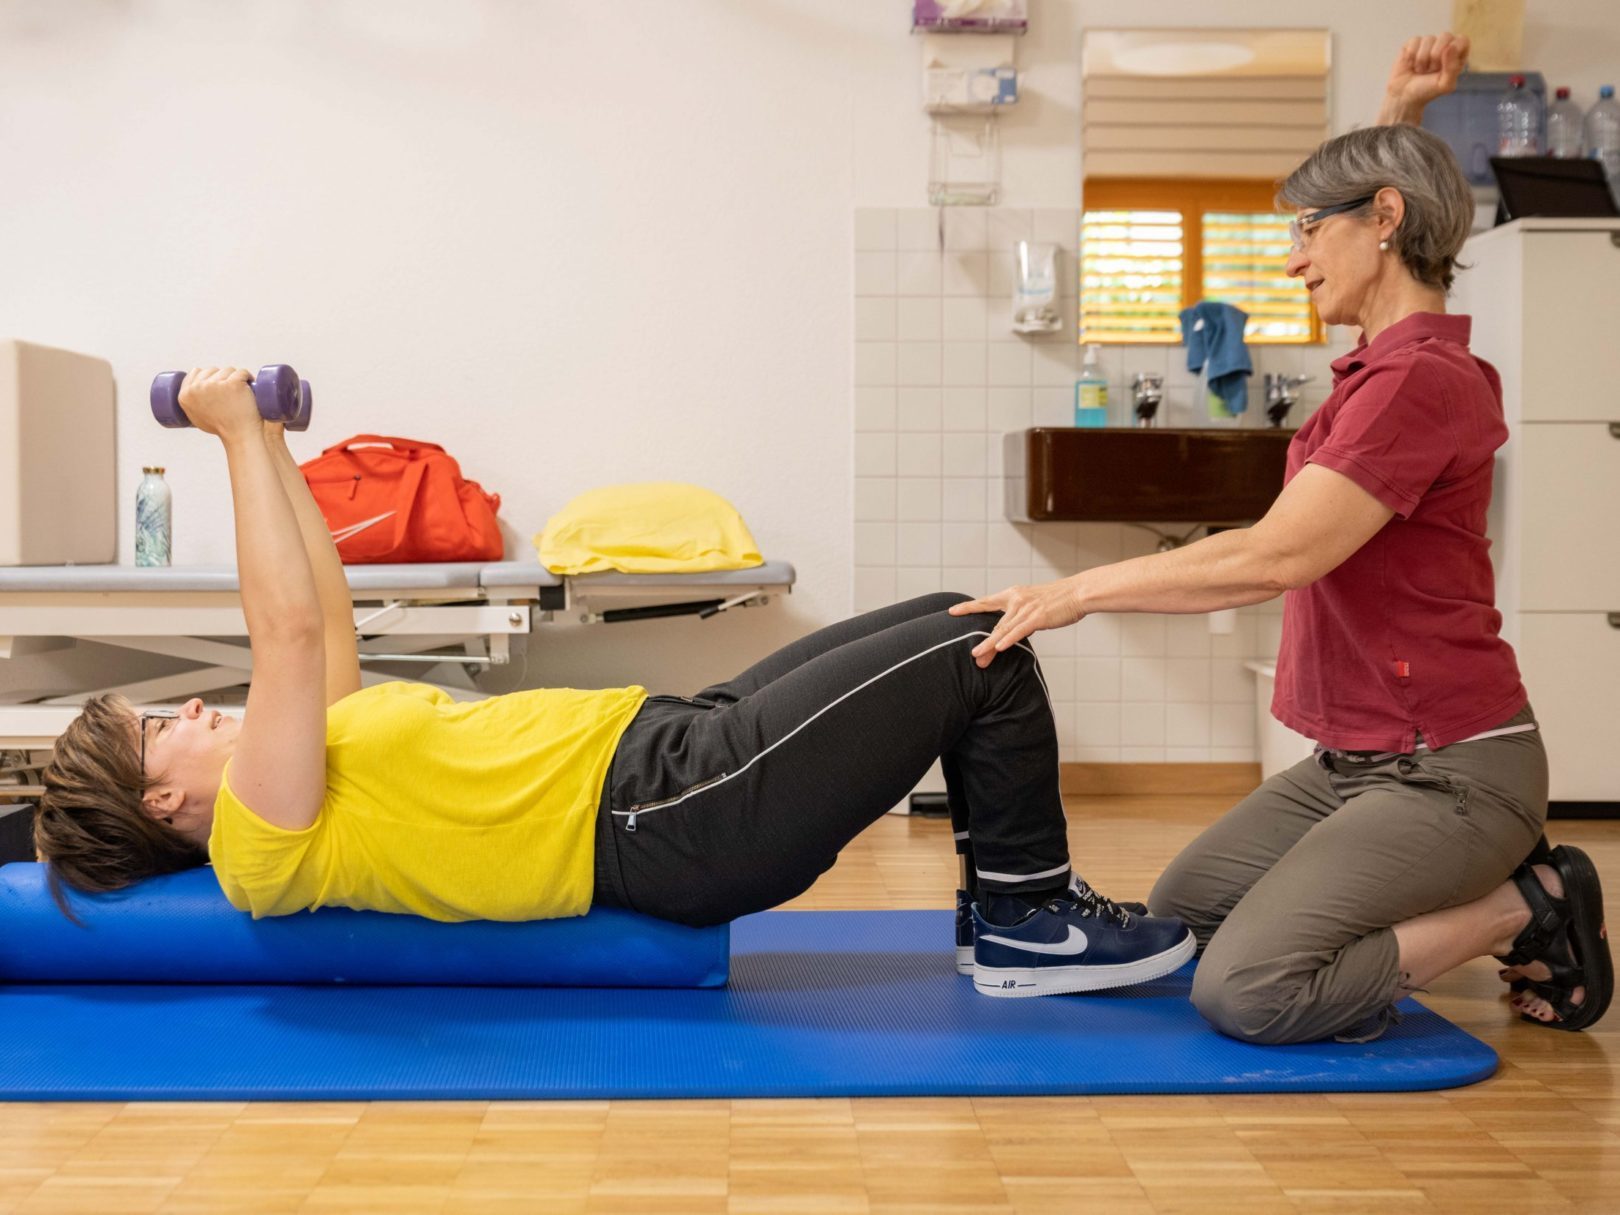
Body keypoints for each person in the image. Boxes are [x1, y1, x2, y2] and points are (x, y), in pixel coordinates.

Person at [34, 366, 1193, 1000]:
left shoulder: (309, 761)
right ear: (164, 809)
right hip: (669, 820)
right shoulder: (259, 838)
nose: (188, 706)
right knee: (980, 656)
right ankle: (1026, 921)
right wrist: (231, 434)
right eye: (159, 730)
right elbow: (280, 635)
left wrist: (277, 448)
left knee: (957, 615)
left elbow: (322, 609)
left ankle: (1004, 909)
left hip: (671, 749)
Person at [949, 32, 1610, 1040]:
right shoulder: (1380, 369)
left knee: (1248, 990)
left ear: (1384, 220)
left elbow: (1277, 555)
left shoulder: (1418, 383)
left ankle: (1527, 904)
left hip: (1453, 768)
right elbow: (1389, 212)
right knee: (1181, 920)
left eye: (1309, 229)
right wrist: (1399, 111)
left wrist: (1074, 592)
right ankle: (1427, 895)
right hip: (1354, 764)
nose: (1295, 255)